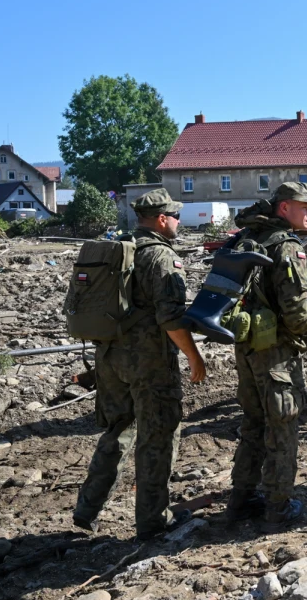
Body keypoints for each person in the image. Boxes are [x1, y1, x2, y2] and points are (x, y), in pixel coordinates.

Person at [73, 188, 207, 540]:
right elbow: (171, 318)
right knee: (159, 436)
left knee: (119, 429)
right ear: (162, 219)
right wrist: (194, 356)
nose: (179, 221)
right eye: (175, 216)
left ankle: (87, 507)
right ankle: (152, 522)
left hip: (109, 357)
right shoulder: (160, 256)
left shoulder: (120, 249)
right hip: (149, 362)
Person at [224, 182, 307, 527]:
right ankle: (279, 506)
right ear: (283, 209)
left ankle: (241, 499)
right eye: (304, 206)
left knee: (252, 424)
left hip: (247, 347)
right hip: (275, 353)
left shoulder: (248, 238)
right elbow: (295, 312)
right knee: (282, 427)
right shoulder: (287, 247)